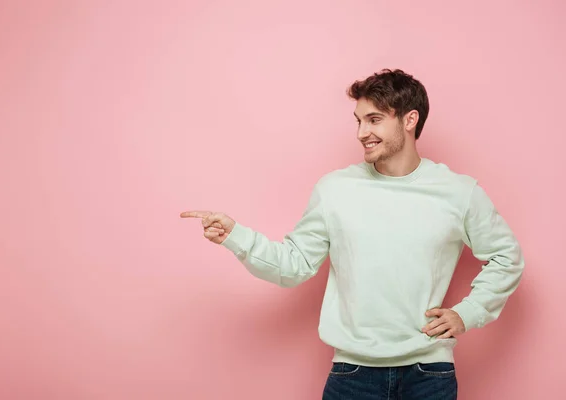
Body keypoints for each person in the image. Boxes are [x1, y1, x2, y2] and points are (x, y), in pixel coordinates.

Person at [180, 69, 525, 399]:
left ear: (409, 120)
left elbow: (506, 257)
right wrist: (235, 236)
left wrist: (467, 313)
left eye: (374, 119)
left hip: (429, 374)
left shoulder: (458, 192)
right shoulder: (335, 189)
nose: (361, 132)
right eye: (359, 121)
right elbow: (294, 265)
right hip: (353, 375)